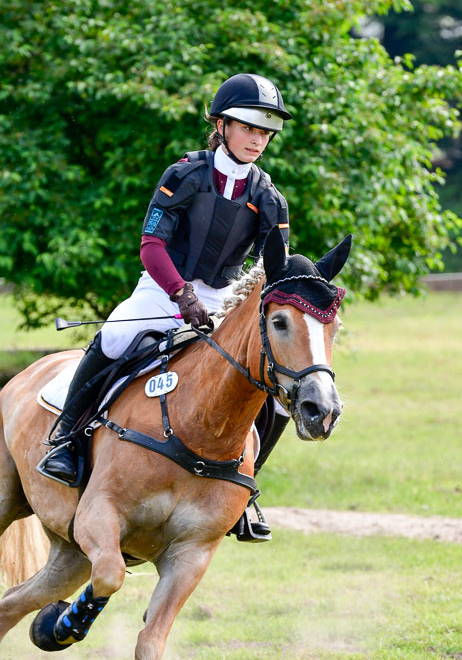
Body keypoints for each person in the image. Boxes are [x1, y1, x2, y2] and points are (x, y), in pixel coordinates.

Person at [42, 74, 292, 537]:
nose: (257, 139)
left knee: (271, 393)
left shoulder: (270, 198)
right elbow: (151, 246)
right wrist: (181, 293)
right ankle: (66, 440)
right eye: (248, 128)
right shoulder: (184, 175)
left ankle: (242, 490)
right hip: (162, 288)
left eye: (265, 132)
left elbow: (272, 266)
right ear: (221, 125)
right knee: (116, 335)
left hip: (223, 299)